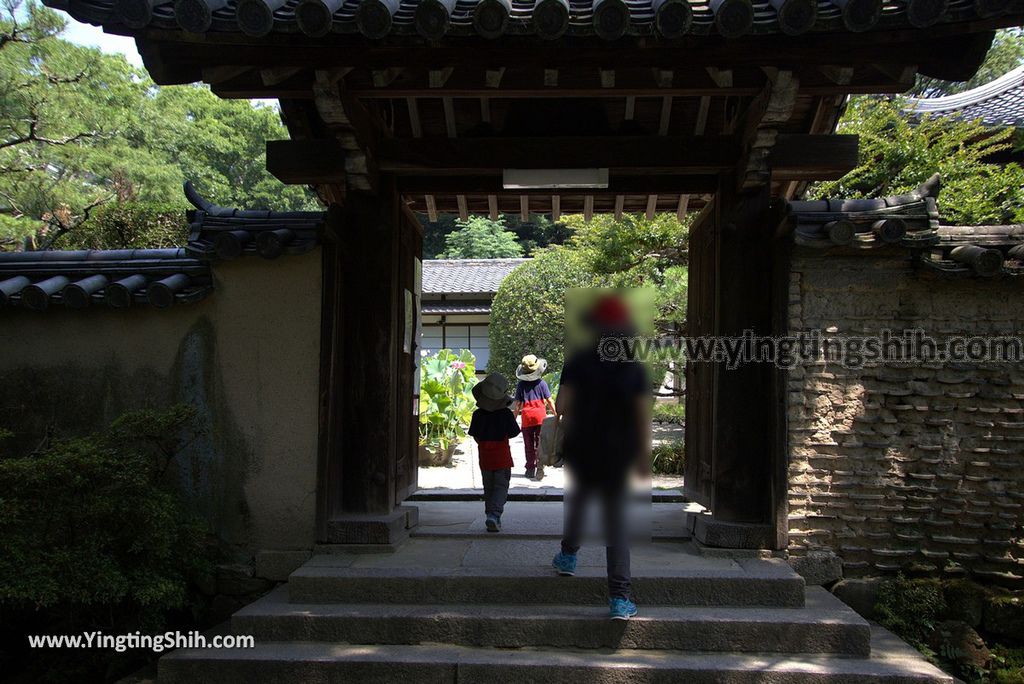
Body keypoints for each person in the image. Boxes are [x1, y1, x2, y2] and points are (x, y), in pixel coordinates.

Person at [551, 293, 651, 620]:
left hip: (582, 445)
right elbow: (641, 416)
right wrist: (643, 457)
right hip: (617, 451)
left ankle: (568, 557)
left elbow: (562, 406)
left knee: (579, 499)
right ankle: (620, 599)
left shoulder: (578, 360)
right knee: (615, 522)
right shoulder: (634, 366)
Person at [468, 373, 521, 533]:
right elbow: (513, 433)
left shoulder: (477, 415)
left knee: (488, 487)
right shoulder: (505, 414)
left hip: (484, 456)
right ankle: (494, 515)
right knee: (501, 486)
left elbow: (475, 435)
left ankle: (490, 514)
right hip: (502, 457)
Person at [513, 354, 557, 479]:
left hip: (527, 417)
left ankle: (530, 469)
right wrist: (556, 414)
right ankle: (540, 466)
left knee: (528, 445)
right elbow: (549, 401)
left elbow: (517, 405)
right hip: (540, 417)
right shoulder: (542, 383)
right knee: (539, 443)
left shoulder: (521, 385)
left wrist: (513, 419)